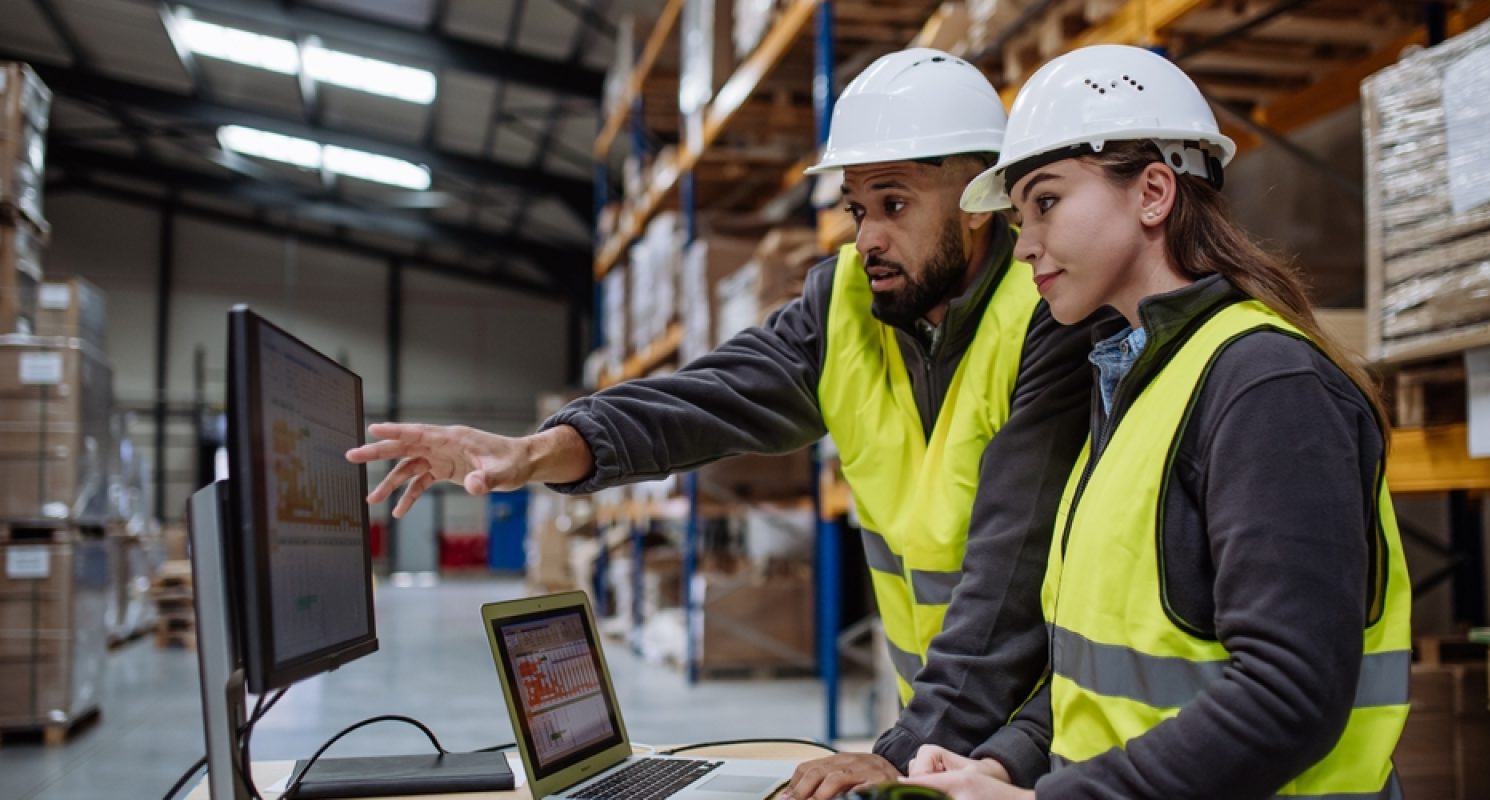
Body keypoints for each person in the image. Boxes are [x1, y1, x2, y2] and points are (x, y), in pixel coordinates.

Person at [347, 49, 1101, 800]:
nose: (867, 237)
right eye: (857, 209)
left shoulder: (1050, 316)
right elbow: (701, 400)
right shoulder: (842, 305)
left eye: (895, 205)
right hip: (940, 735)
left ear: (976, 202)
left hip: (1047, 742)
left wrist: (901, 749)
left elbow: (1008, 576)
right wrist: (538, 451)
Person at [903, 45, 1412, 800]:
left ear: (1152, 193)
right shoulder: (1135, 382)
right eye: (1018, 218)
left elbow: (1288, 696)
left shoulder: (1266, 385)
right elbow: (1108, 669)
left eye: (1045, 203)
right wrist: (1009, 758)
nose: (1025, 246)